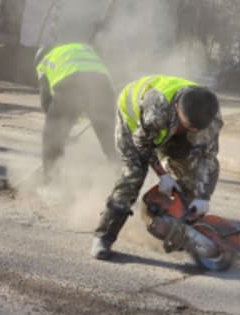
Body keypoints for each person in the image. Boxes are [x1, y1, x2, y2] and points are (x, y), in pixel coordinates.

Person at [90, 75, 222, 260]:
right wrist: (162, 175)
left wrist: (203, 196)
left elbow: (208, 158)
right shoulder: (157, 109)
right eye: (187, 126)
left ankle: (182, 227)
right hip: (135, 126)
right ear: (177, 109)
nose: (192, 131)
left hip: (167, 127)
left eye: (195, 129)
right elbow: (142, 143)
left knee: (190, 170)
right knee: (133, 175)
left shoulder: (210, 115)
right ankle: (103, 236)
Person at [34, 42, 117, 182]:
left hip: (71, 84)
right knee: (110, 139)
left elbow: (46, 101)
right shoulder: (82, 48)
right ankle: (122, 176)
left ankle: (49, 179)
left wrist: (61, 129)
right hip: (104, 87)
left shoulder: (45, 61)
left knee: (51, 135)